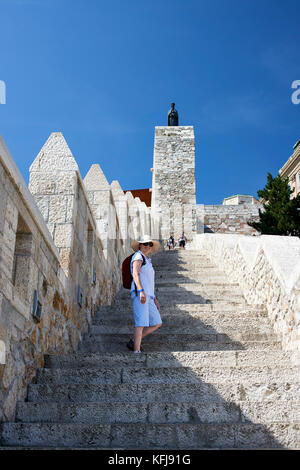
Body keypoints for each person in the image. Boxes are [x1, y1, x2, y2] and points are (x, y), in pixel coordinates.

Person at [126, 236, 162, 354]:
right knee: (141, 323)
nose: (147, 246)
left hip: (149, 296)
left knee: (157, 322)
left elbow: (149, 281)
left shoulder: (148, 260)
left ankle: (134, 341)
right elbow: (135, 275)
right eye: (145, 243)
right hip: (140, 293)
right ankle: (136, 351)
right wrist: (141, 291)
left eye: (150, 244)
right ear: (140, 245)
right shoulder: (138, 256)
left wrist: (154, 298)